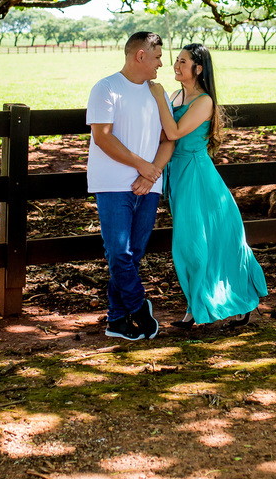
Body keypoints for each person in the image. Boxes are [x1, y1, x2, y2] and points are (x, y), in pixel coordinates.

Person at [148, 43, 267, 328]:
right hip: (178, 176)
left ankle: (232, 300)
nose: (176, 65)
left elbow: (174, 132)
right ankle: (196, 305)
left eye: (183, 61)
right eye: (177, 60)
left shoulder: (204, 102)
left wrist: (158, 97)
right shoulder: (176, 96)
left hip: (197, 177)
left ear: (198, 69)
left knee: (195, 243)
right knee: (190, 244)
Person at [86, 31, 175, 341]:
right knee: (119, 253)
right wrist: (142, 166)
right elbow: (102, 137)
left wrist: (151, 173)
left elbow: (169, 139)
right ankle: (137, 307)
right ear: (140, 55)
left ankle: (116, 320)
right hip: (113, 184)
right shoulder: (106, 88)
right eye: (157, 57)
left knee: (134, 254)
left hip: (149, 185)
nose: (161, 64)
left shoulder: (158, 94)